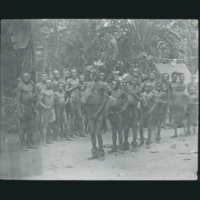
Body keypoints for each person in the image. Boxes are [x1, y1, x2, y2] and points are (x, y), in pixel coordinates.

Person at [81, 69, 109, 161]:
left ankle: (101, 152)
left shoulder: (103, 85)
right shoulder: (88, 85)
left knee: (98, 132)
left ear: (99, 75)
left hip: (99, 110)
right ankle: (94, 152)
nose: (94, 76)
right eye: (92, 74)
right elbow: (85, 99)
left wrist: (98, 112)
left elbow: (105, 100)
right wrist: (87, 112)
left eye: (95, 74)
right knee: (92, 132)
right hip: (90, 110)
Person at [17, 72, 37, 151]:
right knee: (22, 127)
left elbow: (32, 98)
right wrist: (20, 112)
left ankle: (29, 144)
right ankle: (21, 146)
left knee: (30, 126)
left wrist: (34, 106)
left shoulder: (31, 85)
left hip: (30, 108)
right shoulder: (20, 86)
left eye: (27, 76)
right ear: (22, 78)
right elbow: (18, 100)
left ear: (29, 77)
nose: (26, 78)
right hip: (23, 107)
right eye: (25, 77)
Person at [122, 77, 142, 151]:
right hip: (127, 109)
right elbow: (124, 97)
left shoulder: (139, 89)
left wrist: (134, 94)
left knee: (134, 127)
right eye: (133, 80)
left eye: (135, 80)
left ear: (137, 81)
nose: (134, 81)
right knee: (126, 127)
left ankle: (134, 143)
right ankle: (126, 143)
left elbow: (140, 99)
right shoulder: (127, 88)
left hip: (135, 109)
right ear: (131, 81)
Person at [107, 80, 127, 154]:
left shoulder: (122, 92)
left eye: (114, 84)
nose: (112, 85)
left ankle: (121, 147)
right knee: (113, 131)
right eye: (112, 84)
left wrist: (124, 106)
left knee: (120, 130)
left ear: (118, 85)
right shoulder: (110, 92)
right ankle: (114, 147)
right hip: (112, 113)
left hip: (119, 113)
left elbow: (126, 99)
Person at [65, 69, 85, 138]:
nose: (74, 73)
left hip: (78, 100)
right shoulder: (68, 81)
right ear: (71, 73)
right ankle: (72, 133)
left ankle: (81, 132)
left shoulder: (78, 80)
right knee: (73, 117)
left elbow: (79, 89)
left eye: (75, 72)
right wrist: (74, 87)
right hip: (71, 100)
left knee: (80, 116)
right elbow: (66, 90)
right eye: (72, 72)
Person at [38, 79, 56, 145]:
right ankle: (44, 141)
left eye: (50, 83)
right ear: (45, 84)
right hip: (46, 110)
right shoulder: (43, 91)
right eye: (47, 83)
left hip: (52, 110)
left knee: (50, 125)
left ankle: (48, 139)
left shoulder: (52, 91)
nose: (49, 84)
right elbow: (39, 102)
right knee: (45, 125)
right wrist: (45, 107)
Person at [139, 81, 156, 149]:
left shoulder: (152, 95)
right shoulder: (142, 94)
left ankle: (148, 140)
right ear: (144, 87)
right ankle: (142, 140)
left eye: (149, 86)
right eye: (146, 86)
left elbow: (155, 103)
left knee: (149, 127)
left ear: (151, 87)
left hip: (149, 113)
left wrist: (151, 110)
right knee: (140, 127)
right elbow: (140, 102)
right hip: (143, 112)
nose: (147, 87)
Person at [36, 73, 47, 142]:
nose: (44, 77)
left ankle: (47, 137)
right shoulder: (38, 85)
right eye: (43, 76)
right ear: (41, 77)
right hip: (41, 105)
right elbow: (37, 96)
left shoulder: (49, 84)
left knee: (47, 121)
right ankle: (42, 137)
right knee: (41, 121)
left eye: (45, 76)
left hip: (47, 104)